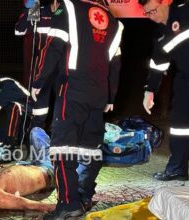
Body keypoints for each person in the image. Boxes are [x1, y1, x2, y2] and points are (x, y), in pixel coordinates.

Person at [29, 0, 123, 218]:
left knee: (62, 150)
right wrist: (110, 95)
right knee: (91, 148)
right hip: (98, 94)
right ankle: (84, 195)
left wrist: (39, 81)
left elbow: (53, 47)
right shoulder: (114, 21)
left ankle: (68, 204)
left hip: (72, 92)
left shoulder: (68, 7)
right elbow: (115, 63)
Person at [139, 0, 189, 181]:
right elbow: (158, 63)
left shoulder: (185, 12)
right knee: (181, 125)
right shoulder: (160, 34)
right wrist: (150, 91)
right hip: (186, 80)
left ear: (164, 3)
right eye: (147, 13)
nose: (152, 16)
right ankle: (177, 169)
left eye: (153, 10)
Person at [0, 127, 56, 212]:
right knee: (37, 132)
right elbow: (28, 205)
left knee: (36, 131)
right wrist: (47, 207)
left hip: (33, 165)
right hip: (49, 170)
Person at [15, 0, 61, 129]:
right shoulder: (39, 11)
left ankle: (58, 144)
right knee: (39, 111)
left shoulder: (67, 14)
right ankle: (36, 143)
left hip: (63, 69)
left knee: (64, 110)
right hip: (41, 70)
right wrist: (27, 8)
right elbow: (19, 31)